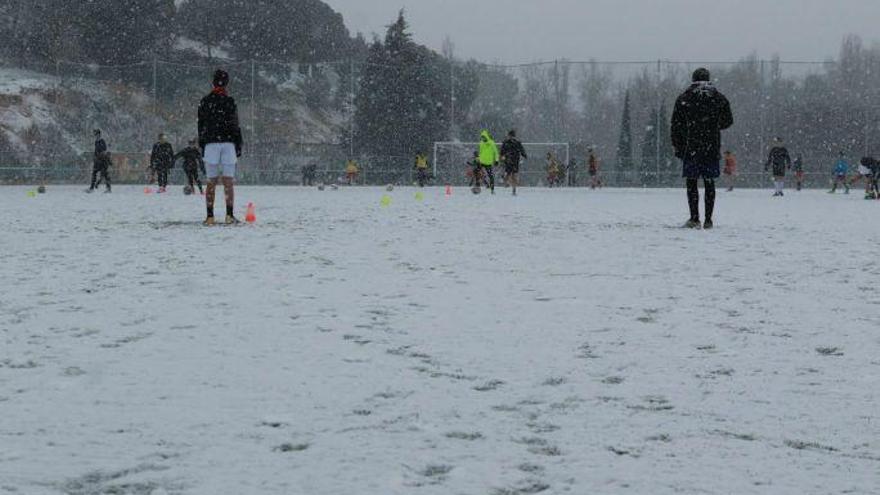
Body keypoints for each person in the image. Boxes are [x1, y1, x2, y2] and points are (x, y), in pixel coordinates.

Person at [671, 67, 734, 229]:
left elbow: (676, 125)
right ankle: (708, 220)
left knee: (691, 182)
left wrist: (678, 146)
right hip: (711, 146)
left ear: (693, 80)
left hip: (690, 146)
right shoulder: (718, 98)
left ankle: (694, 218)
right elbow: (728, 121)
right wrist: (713, 126)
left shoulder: (684, 98)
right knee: (709, 182)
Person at [198, 69, 243, 225]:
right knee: (228, 181)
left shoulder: (205, 101)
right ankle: (229, 215)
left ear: (213, 82)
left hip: (211, 143)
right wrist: (238, 145)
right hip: (228, 142)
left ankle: (210, 216)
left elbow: (201, 124)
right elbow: (235, 125)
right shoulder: (230, 101)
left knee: (211, 180)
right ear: (227, 83)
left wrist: (202, 144)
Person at [500, 129, 527, 196]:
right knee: (510, 173)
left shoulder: (514, 142)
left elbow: (521, 150)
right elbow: (502, 151)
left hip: (513, 160)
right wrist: (502, 156)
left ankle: (513, 188)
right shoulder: (507, 142)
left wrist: (524, 155)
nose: (511, 137)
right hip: (510, 160)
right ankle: (507, 182)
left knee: (513, 174)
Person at [87, 129, 112, 193]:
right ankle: (92, 187)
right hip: (98, 160)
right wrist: (95, 157)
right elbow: (96, 151)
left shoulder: (102, 141)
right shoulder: (96, 141)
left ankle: (107, 188)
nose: (95, 135)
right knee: (95, 173)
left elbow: (104, 150)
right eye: (95, 134)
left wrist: (101, 156)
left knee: (105, 174)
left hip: (102, 160)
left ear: (99, 134)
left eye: (96, 134)